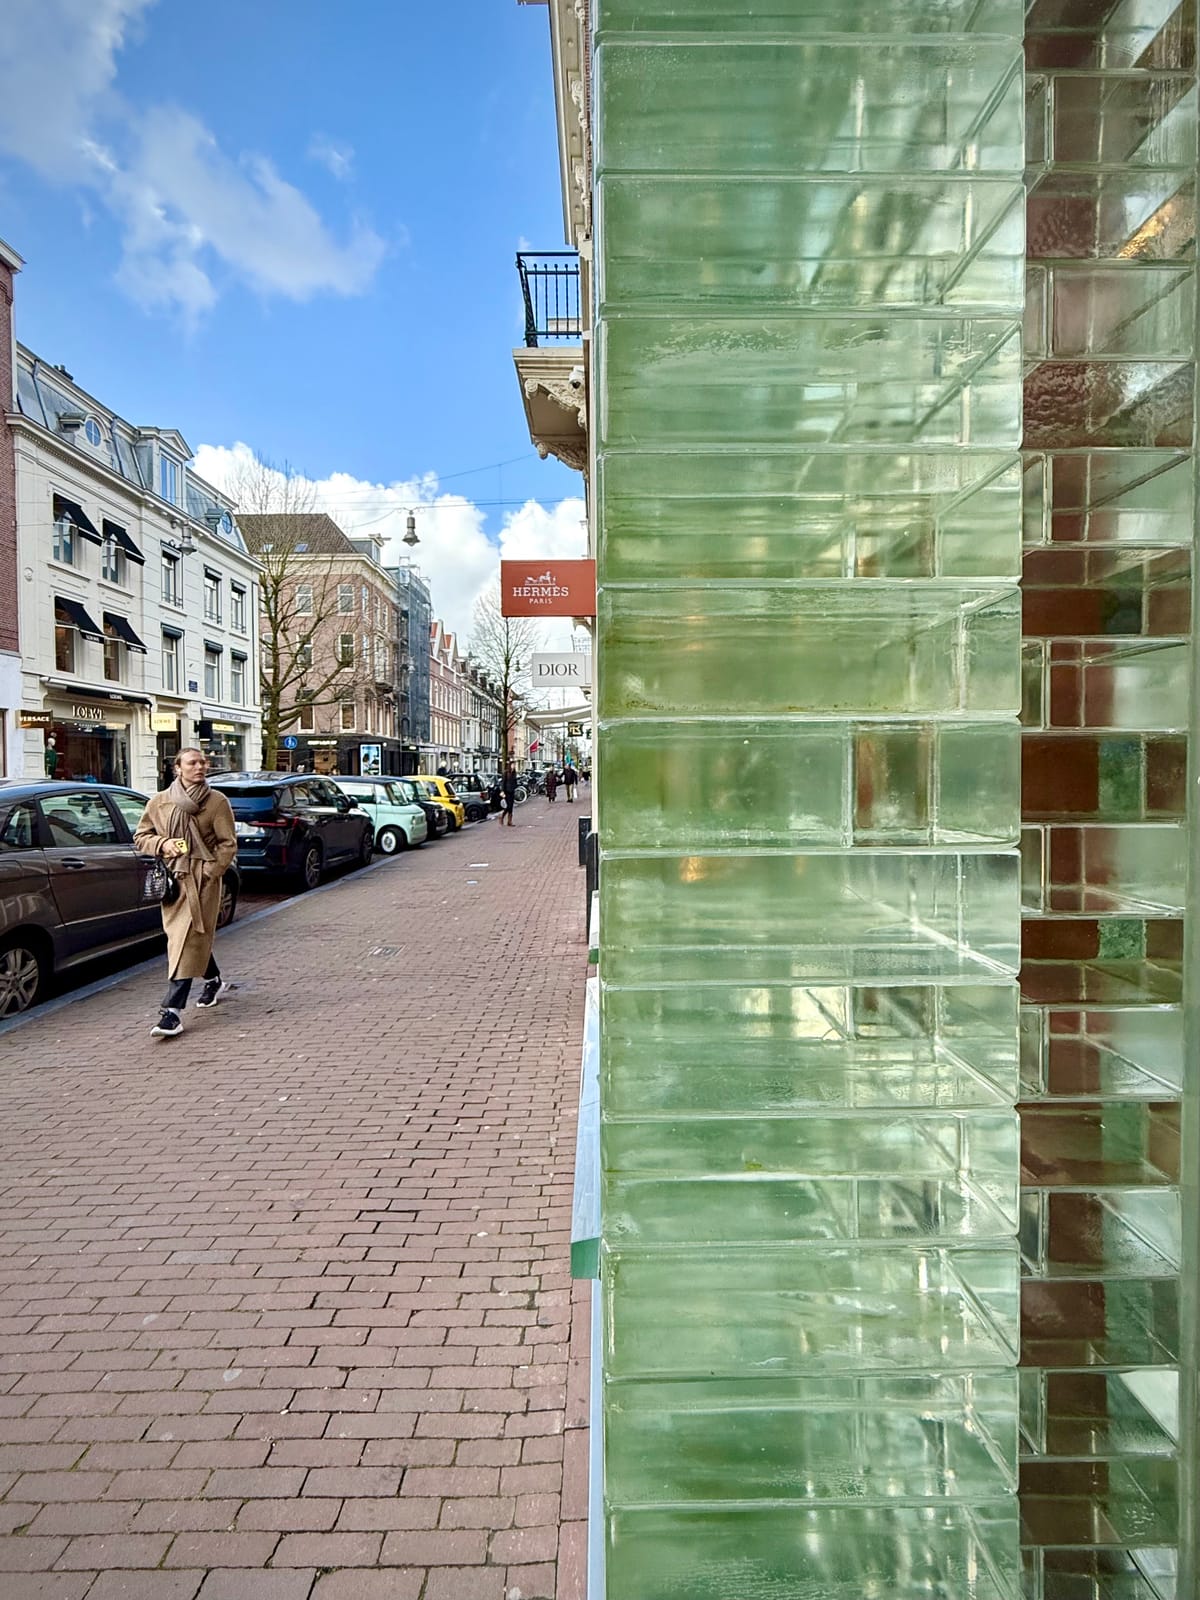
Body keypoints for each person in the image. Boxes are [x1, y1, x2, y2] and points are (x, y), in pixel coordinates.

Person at [134, 747, 237, 1039]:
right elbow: (141, 836)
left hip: (202, 881)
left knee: (188, 938)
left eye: (203, 762)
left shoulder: (217, 802)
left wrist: (211, 871)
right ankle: (214, 980)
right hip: (174, 879)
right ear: (177, 768)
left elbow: (228, 843)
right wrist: (162, 844)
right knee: (186, 938)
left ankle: (172, 1013)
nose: (200, 767)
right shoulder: (159, 802)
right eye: (192, 763)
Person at [498, 763, 517, 827]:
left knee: (511, 807)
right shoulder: (506, 773)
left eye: (514, 765)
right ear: (510, 765)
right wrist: (502, 791)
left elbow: (515, 782)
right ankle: (502, 816)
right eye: (512, 765)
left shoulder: (514, 773)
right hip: (507, 792)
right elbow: (503, 782)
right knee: (508, 806)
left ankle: (509, 821)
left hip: (512, 791)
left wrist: (515, 786)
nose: (514, 766)